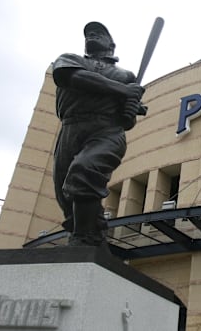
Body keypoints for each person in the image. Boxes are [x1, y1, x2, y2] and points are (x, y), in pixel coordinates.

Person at [52, 21, 145, 247]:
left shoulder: (125, 75)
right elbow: (76, 79)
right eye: (89, 34)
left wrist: (130, 108)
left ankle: (82, 239)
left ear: (111, 45)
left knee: (84, 170)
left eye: (99, 33)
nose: (91, 35)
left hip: (107, 130)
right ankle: (93, 232)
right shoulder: (71, 60)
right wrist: (124, 92)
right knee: (66, 196)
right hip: (71, 128)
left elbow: (127, 122)